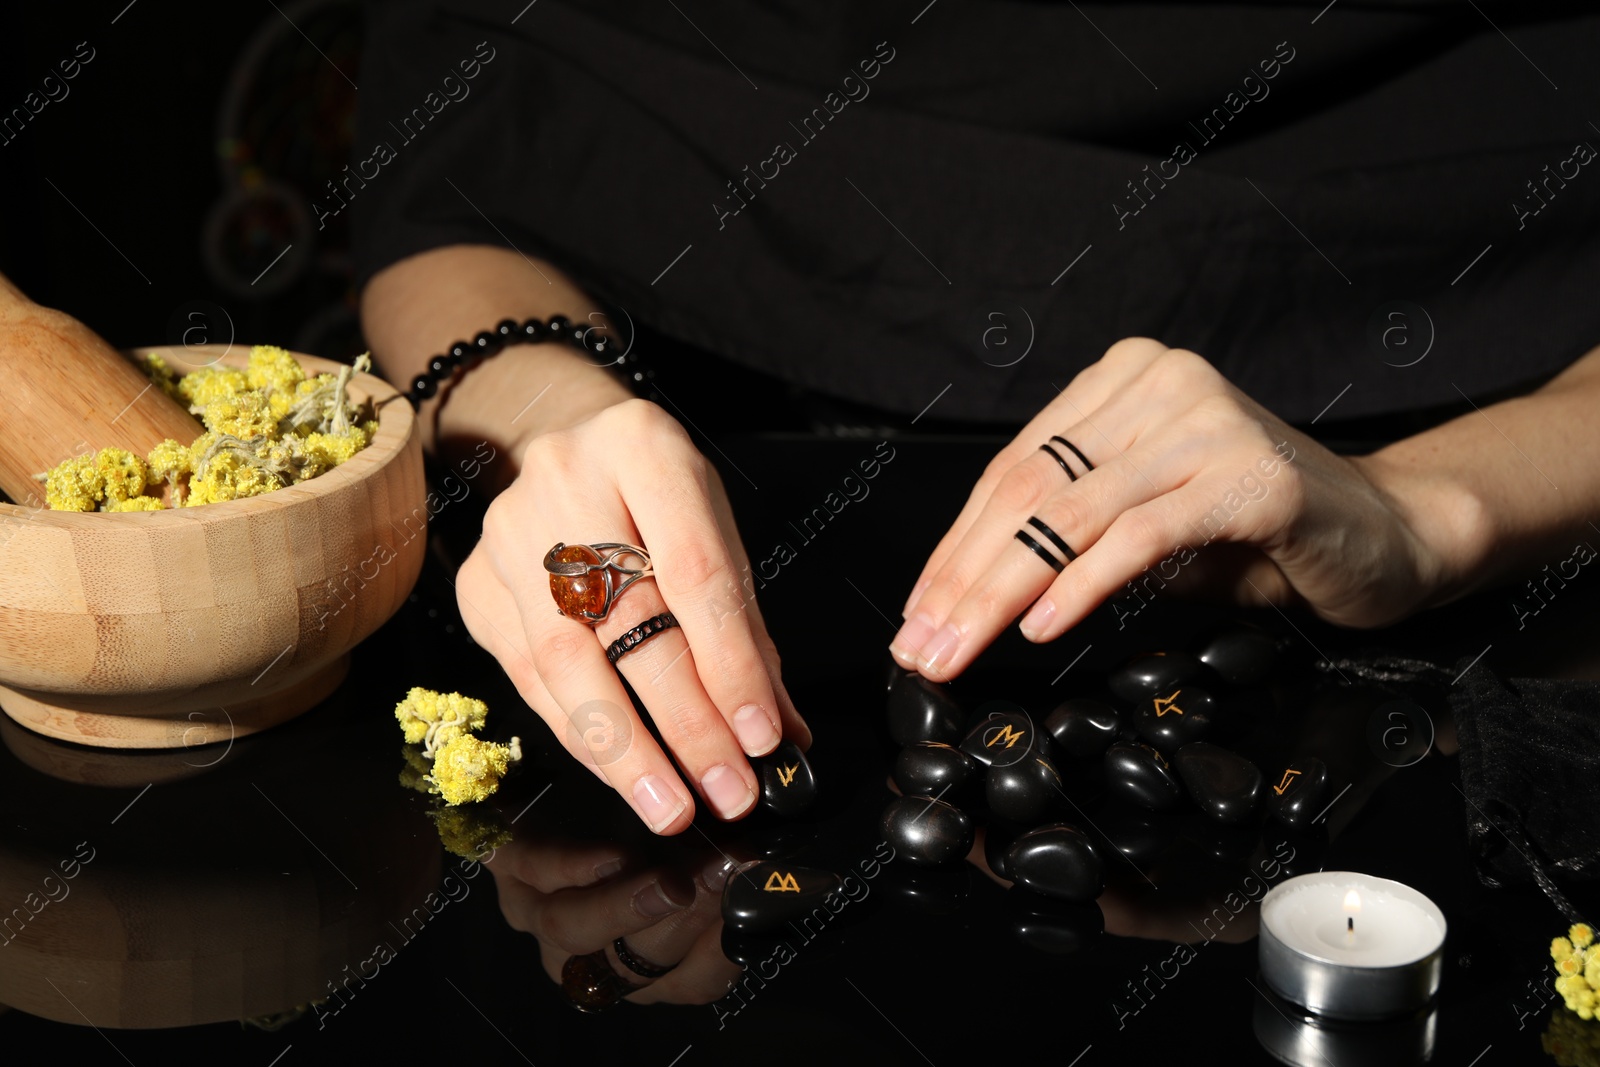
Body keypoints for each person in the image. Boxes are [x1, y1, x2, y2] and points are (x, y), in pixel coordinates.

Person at [354, 0, 1600, 836]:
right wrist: (550, 415)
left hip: (1484, 527)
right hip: (694, 509)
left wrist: (1432, 505)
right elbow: (450, 175)